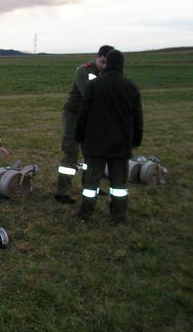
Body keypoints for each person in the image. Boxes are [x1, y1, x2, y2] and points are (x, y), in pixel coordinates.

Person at [75, 50, 143, 223]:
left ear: (107, 63)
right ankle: (119, 216)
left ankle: (85, 215)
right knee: (119, 185)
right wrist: (136, 140)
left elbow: (83, 114)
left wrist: (79, 136)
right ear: (121, 65)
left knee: (91, 184)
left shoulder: (94, 85)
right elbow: (137, 117)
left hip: (95, 144)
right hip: (120, 146)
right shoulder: (131, 87)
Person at [55, 45, 114, 204]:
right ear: (97, 57)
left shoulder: (108, 73)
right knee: (71, 152)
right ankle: (62, 192)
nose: (105, 66)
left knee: (91, 153)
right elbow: (89, 95)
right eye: (103, 62)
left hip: (91, 116)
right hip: (74, 114)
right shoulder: (83, 70)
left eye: (108, 64)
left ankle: (90, 187)